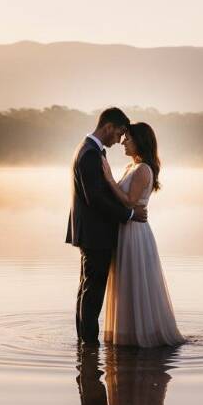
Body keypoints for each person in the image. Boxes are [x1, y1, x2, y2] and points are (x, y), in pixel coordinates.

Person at [66, 108, 148, 345]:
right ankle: (89, 345)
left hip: (91, 232)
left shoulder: (88, 149)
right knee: (92, 292)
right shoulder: (90, 154)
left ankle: (85, 346)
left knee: (87, 288)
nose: (120, 139)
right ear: (109, 127)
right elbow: (96, 199)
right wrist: (130, 213)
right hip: (95, 234)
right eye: (120, 132)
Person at [100, 122, 185, 347]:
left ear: (140, 141)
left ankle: (142, 336)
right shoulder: (132, 168)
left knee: (136, 282)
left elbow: (129, 201)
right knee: (126, 283)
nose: (123, 142)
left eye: (128, 138)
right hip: (125, 230)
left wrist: (108, 179)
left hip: (135, 233)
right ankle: (128, 334)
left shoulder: (143, 169)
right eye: (124, 137)